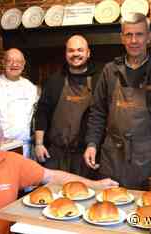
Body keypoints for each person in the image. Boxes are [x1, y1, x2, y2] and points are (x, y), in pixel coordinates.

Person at [84, 13, 151, 192]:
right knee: (110, 211)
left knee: (147, 215)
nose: (134, 40)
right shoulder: (110, 70)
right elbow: (98, 112)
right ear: (122, 38)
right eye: (129, 35)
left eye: (139, 34)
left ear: (148, 36)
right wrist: (92, 143)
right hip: (112, 159)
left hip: (149, 160)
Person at [34, 35, 100, 178]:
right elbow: (42, 113)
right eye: (71, 51)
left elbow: (103, 115)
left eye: (80, 50)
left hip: (86, 154)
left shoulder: (99, 79)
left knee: (85, 196)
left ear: (88, 53)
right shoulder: (54, 80)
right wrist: (39, 144)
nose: (75, 54)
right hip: (55, 154)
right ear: (66, 54)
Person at [0, 48, 39, 158]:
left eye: (19, 62)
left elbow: (37, 115)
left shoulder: (30, 87)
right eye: (10, 61)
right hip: (0, 146)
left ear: (23, 64)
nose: (14, 64)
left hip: (25, 147)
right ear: (3, 63)